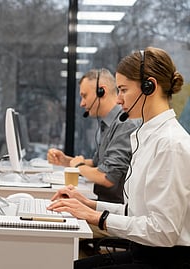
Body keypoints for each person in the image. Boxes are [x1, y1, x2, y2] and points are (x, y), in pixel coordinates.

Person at [48, 47, 190, 268]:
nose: (118, 100)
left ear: (148, 86)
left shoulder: (170, 145)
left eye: (123, 90)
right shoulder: (147, 136)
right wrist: (90, 205)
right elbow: (137, 212)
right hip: (144, 251)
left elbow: (163, 232)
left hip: (165, 259)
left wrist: (98, 218)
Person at [47, 68, 140, 204]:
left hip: (113, 210)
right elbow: (97, 164)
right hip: (101, 203)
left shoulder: (124, 123)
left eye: (84, 96)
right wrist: (65, 161)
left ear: (101, 91)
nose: (82, 103)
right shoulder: (107, 124)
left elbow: (107, 176)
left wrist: (78, 166)